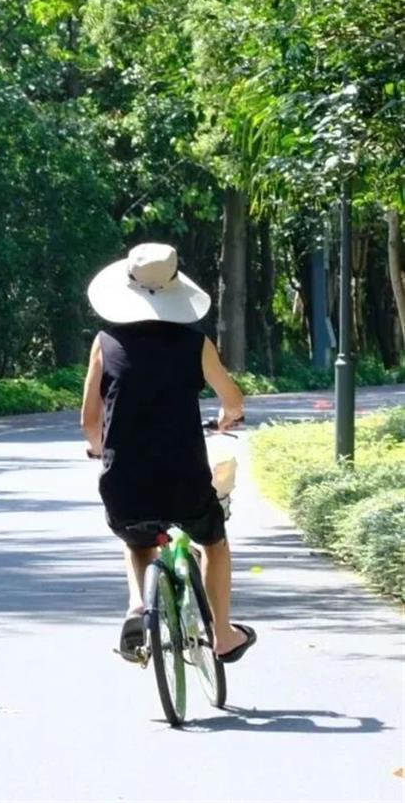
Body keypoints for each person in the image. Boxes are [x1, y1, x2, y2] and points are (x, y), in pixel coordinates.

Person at [80, 242, 256, 665]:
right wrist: (229, 418)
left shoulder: (105, 343)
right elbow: (233, 400)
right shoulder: (195, 344)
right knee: (213, 540)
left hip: (125, 479)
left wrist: (98, 448)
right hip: (184, 477)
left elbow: (90, 417)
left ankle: (139, 607)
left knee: (138, 539)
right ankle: (223, 633)